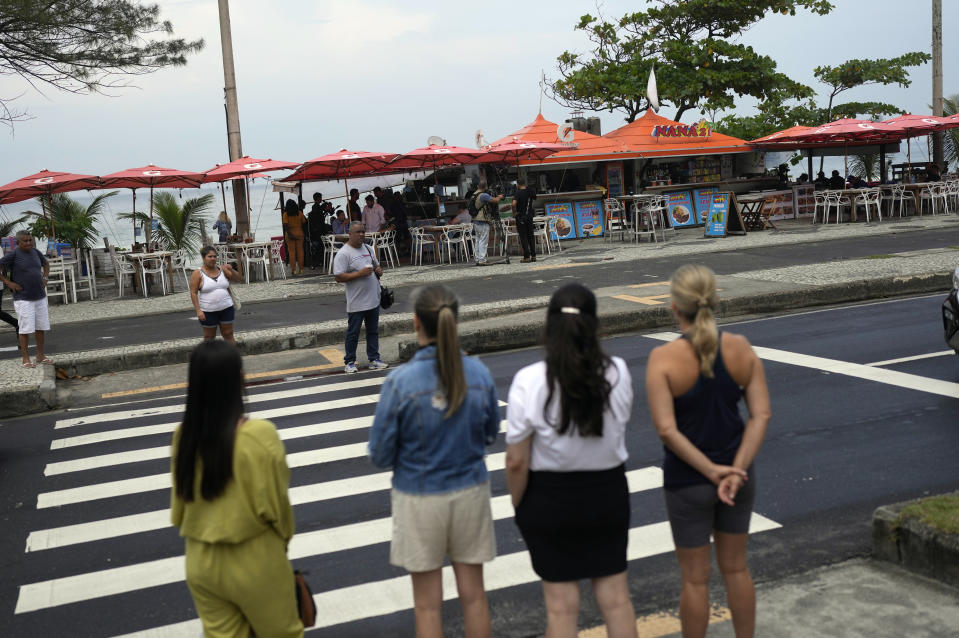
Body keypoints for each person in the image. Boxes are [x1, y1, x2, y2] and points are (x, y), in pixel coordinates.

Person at [505, 283, 638, 638]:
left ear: (548, 326)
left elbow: (517, 461)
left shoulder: (529, 381)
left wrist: (520, 505)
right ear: (596, 326)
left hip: (550, 499)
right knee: (616, 600)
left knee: (561, 609)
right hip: (607, 492)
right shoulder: (619, 372)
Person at [645, 264, 771, 638]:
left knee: (695, 581)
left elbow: (666, 429)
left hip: (688, 481)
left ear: (673, 307)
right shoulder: (741, 348)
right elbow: (761, 414)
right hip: (739, 476)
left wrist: (710, 471)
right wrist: (734, 469)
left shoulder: (663, 360)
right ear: (716, 301)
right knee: (736, 569)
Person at [369, 285, 500, 638]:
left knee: (428, 604)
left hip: (418, 495)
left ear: (416, 323)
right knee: (474, 598)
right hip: (470, 490)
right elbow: (490, 433)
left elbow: (379, 454)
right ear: (455, 322)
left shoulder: (400, 382)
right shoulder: (478, 373)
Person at [171, 340, 303, 638]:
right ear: (238, 381)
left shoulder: (183, 435)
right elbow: (278, 507)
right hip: (254, 557)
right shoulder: (259, 435)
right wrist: (281, 544)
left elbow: (179, 507)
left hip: (201, 559)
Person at [332, 221, 388, 374]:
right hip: (356, 301)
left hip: (373, 298)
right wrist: (359, 274)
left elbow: (376, 265)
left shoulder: (369, 248)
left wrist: (378, 270)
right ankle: (349, 361)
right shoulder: (344, 253)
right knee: (353, 333)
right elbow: (338, 277)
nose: (362, 234)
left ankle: (374, 359)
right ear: (350, 234)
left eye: (363, 231)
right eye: (358, 232)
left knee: (373, 331)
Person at [0, 231, 51, 368]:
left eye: (30, 240)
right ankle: (25, 359)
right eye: (25, 241)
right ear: (18, 243)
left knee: (40, 327)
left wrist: (45, 278)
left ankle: (40, 355)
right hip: (23, 298)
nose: (29, 243)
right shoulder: (13, 255)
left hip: (39, 296)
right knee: (25, 329)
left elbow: (46, 264)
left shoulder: (35, 252)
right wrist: (8, 283)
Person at [189, 245, 242, 344]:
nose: (213, 259)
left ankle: (232, 358)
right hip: (208, 311)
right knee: (209, 337)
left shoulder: (222, 269)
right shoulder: (198, 273)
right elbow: (193, 292)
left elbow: (238, 279)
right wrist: (198, 311)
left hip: (226, 308)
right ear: (204, 258)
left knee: (228, 334)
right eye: (210, 256)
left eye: (214, 256)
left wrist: (231, 269)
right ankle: (209, 359)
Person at [470, 180, 504, 266]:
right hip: (482, 220)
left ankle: (478, 258)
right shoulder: (484, 195)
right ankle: (482, 259)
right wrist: (500, 197)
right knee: (483, 240)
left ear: (478, 186)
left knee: (478, 240)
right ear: (485, 187)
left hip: (475, 220)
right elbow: (495, 200)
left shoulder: (474, 194)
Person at [512, 178, 537, 263]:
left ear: (518, 184)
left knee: (523, 237)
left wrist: (514, 212)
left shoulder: (518, 192)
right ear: (524, 183)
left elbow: (513, 204)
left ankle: (527, 257)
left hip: (521, 217)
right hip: (529, 216)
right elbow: (534, 197)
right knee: (531, 236)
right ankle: (534, 256)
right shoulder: (530, 191)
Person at [282, 199, 307, 275]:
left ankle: (294, 270)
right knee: (300, 251)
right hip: (299, 233)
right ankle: (301, 269)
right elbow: (304, 222)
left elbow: (286, 225)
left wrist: (289, 234)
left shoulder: (285, 214)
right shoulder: (299, 213)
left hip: (290, 233)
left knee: (291, 252)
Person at [307, 193, 329, 270]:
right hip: (318, 231)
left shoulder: (317, 207)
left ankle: (320, 261)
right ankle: (319, 261)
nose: (321, 199)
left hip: (318, 230)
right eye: (320, 197)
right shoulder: (315, 207)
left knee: (320, 247)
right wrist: (324, 208)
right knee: (319, 247)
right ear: (318, 198)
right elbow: (318, 218)